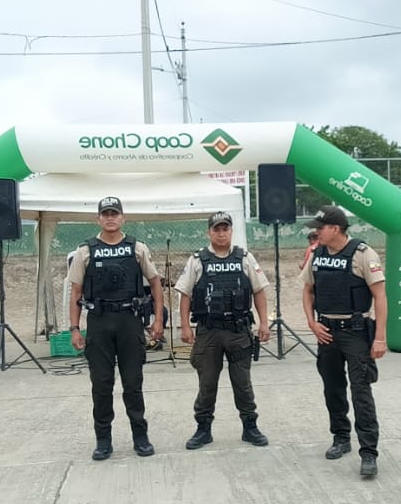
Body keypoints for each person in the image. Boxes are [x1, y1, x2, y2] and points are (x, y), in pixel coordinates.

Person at [66, 196, 165, 461]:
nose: (110, 218)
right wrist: (74, 328)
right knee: (101, 385)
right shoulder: (85, 251)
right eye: (106, 214)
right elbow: (75, 291)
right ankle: (103, 440)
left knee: (133, 384)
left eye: (114, 214)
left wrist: (158, 320)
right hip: (99, 323)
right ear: (98, 219)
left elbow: (155, 282)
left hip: (129, 322)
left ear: (123, 218)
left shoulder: (137, 248)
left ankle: (140, 437)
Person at [300, 205, 388, 478]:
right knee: (333, 389)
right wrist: (312, 323)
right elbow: (307, 291)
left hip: (356, 331)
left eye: (321, 228)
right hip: (326, 331)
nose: (316, 232)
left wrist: (380, 338)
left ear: (335, 228)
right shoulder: (317, 254)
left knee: (361, 392)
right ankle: (340, 437)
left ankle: (369, 452)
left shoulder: (363, 254)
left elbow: (380, 296)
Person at [174, 211, 273, 450]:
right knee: (207, 384)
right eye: (216, 229)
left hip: (238, 331)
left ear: (231, 231)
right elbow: (185, 294)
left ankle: (250, 427)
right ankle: (203, 429)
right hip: (209, 331)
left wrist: (263, 322)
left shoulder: (245, 258)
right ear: (209, 232)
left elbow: (258, 291)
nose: (221, 233)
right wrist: (185, 326)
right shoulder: (197, 260)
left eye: (225, 228)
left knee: (243, 383)